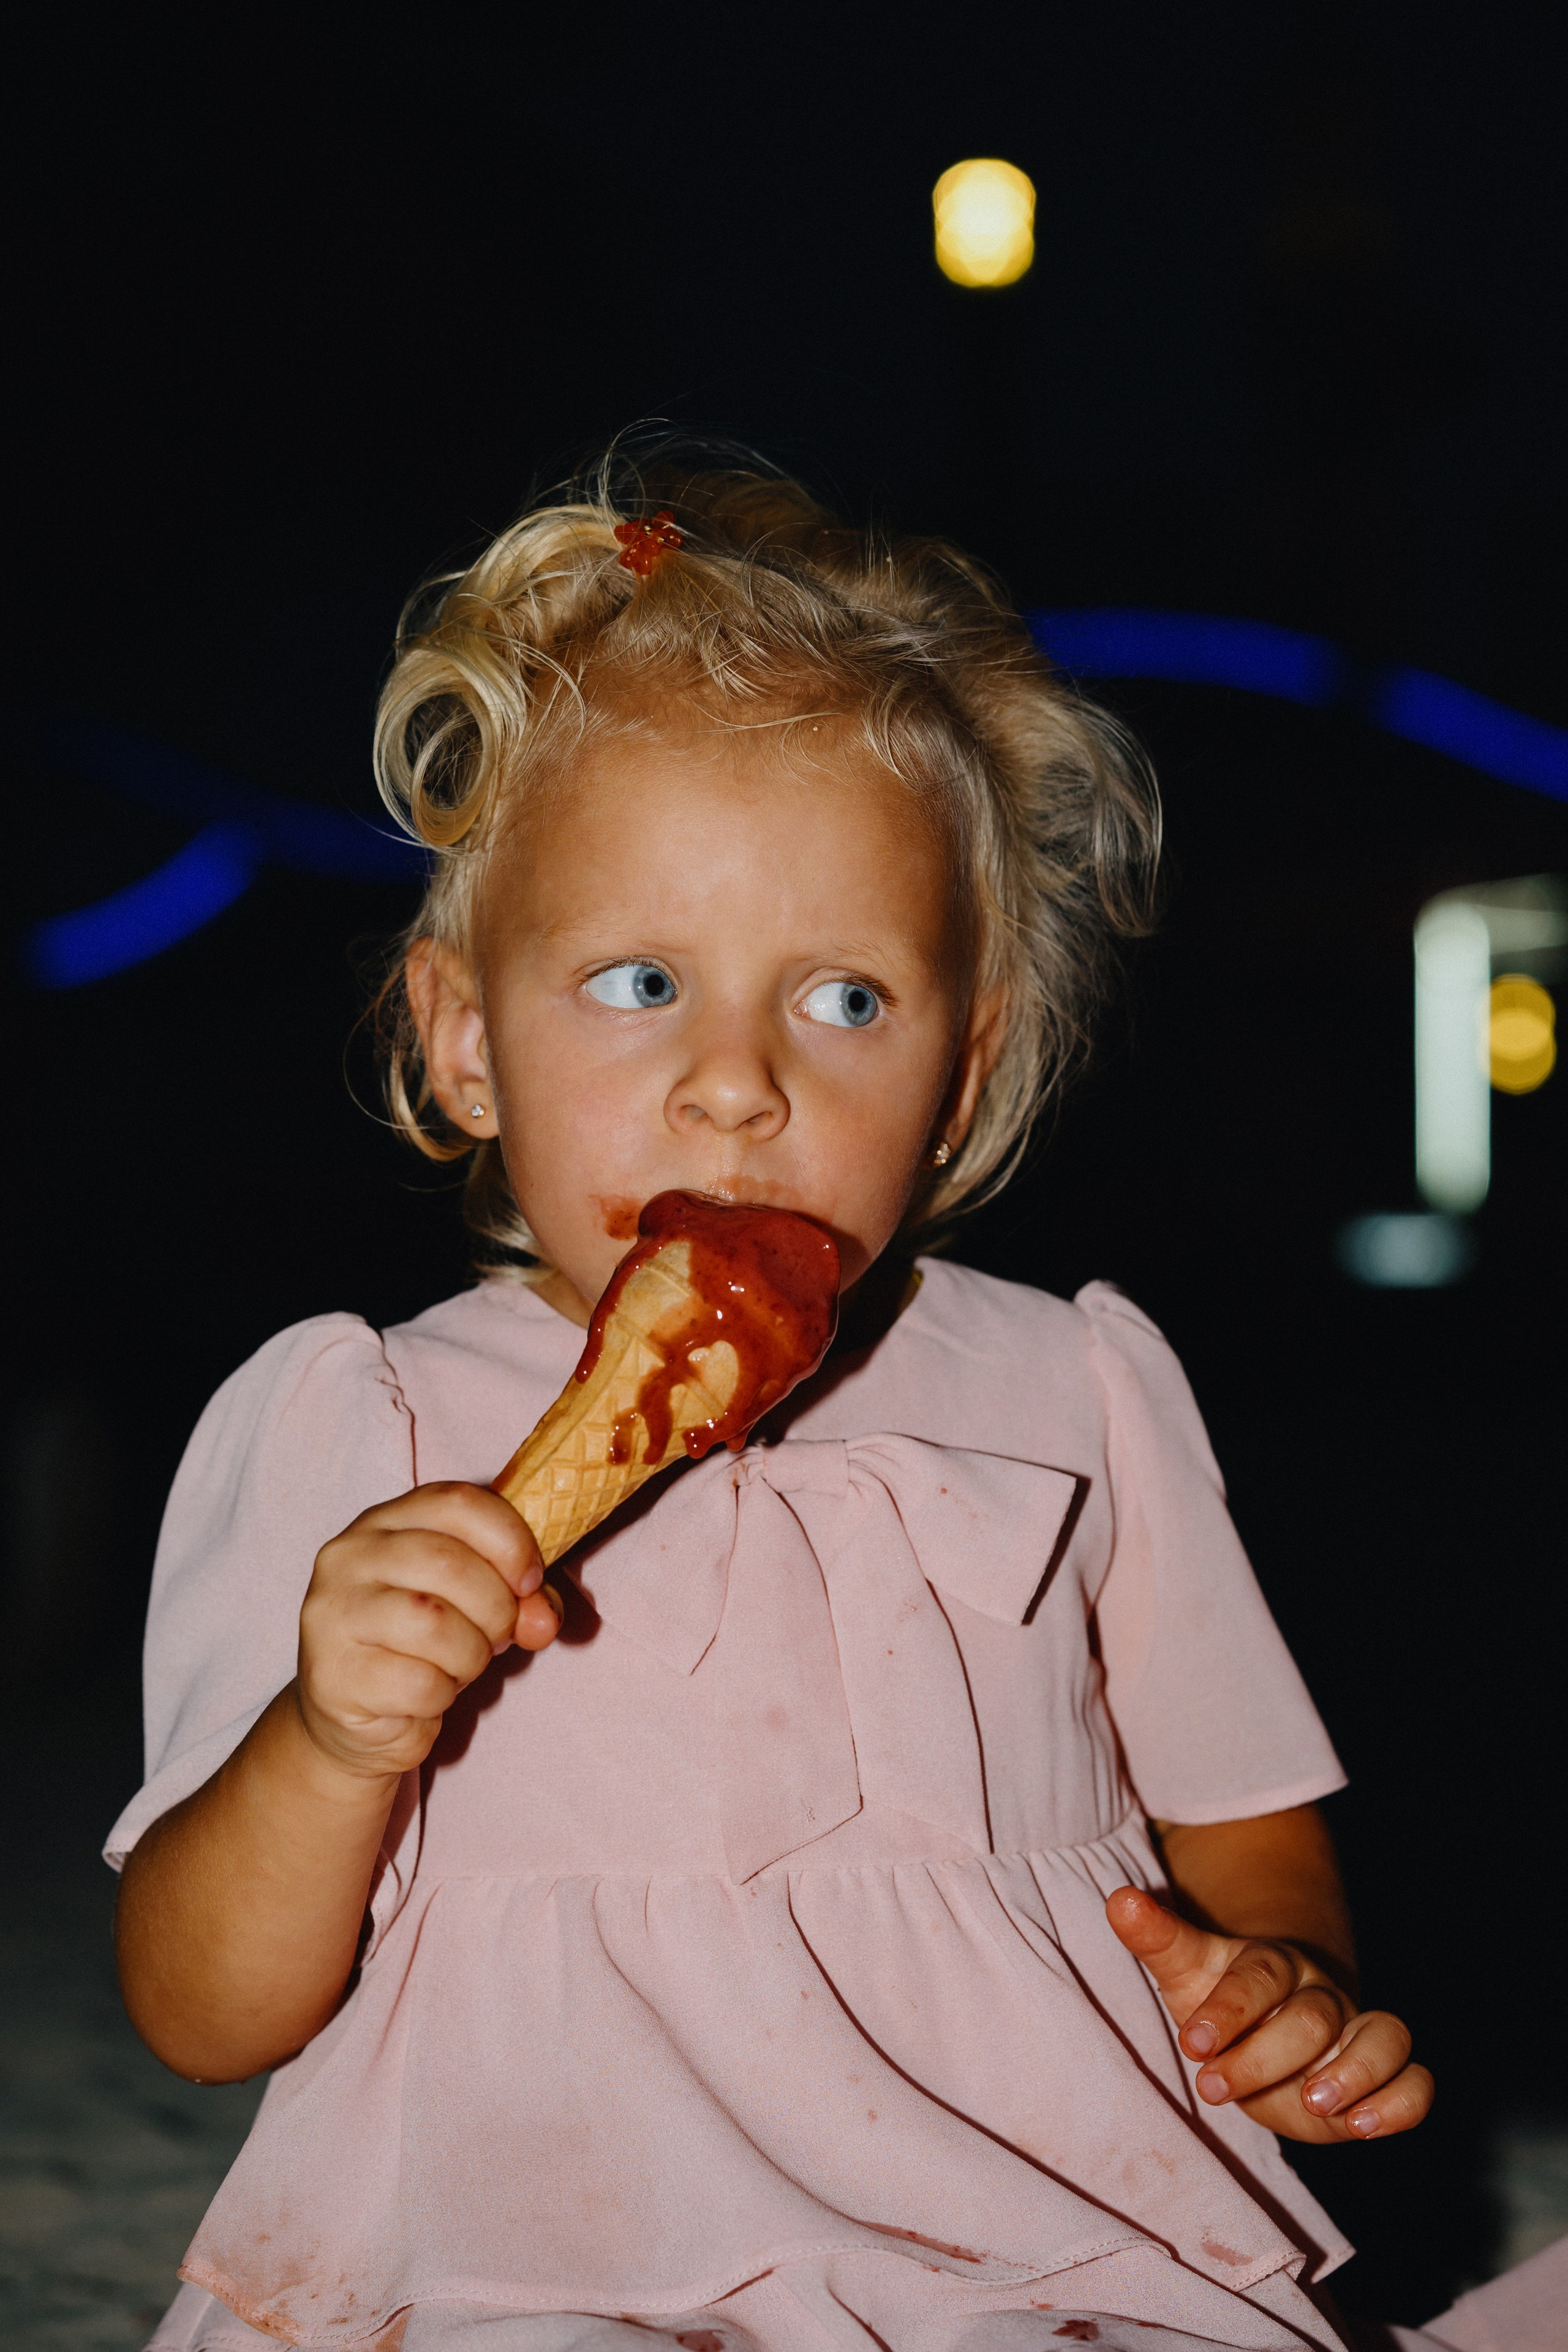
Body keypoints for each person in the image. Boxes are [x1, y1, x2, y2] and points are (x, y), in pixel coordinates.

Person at [110, 456, 1438, 2352]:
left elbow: (1251, 1823)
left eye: (845, 1002)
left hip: (1031, 2234)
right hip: (530, 2244)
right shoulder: (369, 1425)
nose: (736, 1084)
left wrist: (1282, 1982)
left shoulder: (1077, 1388)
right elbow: (200, 2011)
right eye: (639, 981)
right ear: (465, 1041)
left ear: (963, 1076)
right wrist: (327, 1745)